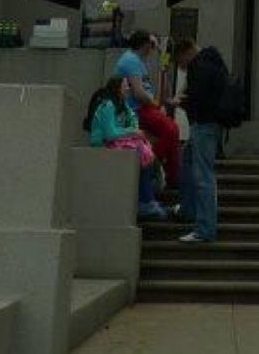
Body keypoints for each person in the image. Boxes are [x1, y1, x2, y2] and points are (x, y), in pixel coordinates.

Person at [83, 77, 167, 220]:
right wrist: (132, 132)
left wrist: (133, 129)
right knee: (141, 152)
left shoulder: (123, 105)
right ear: (117, 88)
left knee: (146, 152)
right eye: (125, 86)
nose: (128, 89)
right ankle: (146, 201)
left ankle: (147, 199)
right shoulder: (107, 105)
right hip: (104, 144)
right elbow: (110, 134)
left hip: (120, 142)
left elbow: (132, 123)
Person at [173, 37, 227, 245]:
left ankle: (204, 229)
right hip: (211, 124)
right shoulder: (213, 60)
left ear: (186, 53)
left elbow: (200, 98)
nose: (182, 68)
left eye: (181, 63)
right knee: (187, 160)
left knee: (203, 175)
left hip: (203, 124)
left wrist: (182, 101)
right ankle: (188, 208)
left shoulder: (199, 66)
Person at [113, 29, 182, 189]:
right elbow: (139, 93)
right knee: (171, 129)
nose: (153, 49)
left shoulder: (138, 62)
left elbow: (158, 92)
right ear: (145, 44)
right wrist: (156, 105)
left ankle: (172, 178)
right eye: (152, 45)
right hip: (136, 109)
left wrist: (163, 61)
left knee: (171, 131)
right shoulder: (130, 60)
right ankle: (152, 164)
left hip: (145, 108)